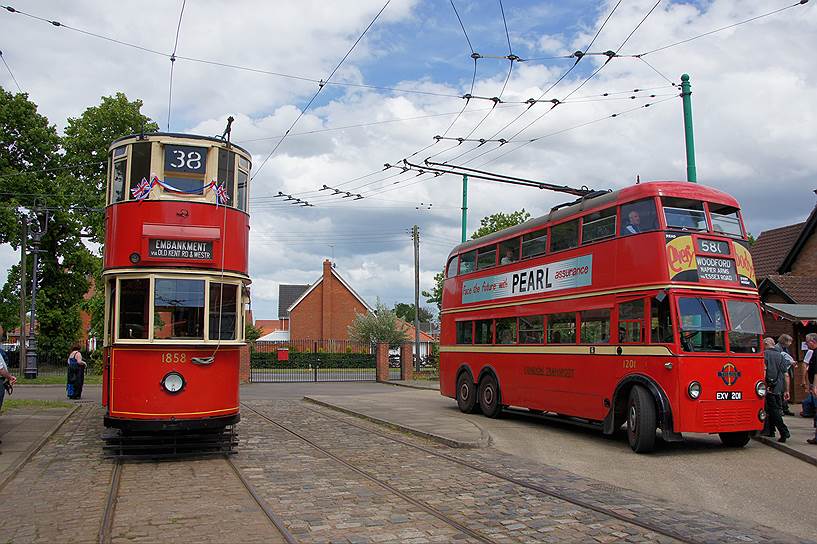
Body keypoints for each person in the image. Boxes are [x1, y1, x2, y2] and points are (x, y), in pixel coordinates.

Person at [763, 337, 790, 442]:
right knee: (775, 409)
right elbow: (786, 375)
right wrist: (787, 390)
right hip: (778, 387)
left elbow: (763, 372)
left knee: (773, 411)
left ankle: (784, 431)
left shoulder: (764, 355)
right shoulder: (781, 356)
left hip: (767, 387)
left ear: (765, 344)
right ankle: (771, 431)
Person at [801, 332, 817, 445]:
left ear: (813, 342)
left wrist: (814, 386)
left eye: (807, 342)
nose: (806, 345)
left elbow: (816, 371)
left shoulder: (815, 353)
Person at [776, 334, 796, 416]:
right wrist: (790, 362)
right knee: (781, 390)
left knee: (785, 390)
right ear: (785, 341)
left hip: (786, 370)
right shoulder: (777, 348)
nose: (790, 343)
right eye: (790, 341)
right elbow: (780, 361)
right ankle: (781, 409)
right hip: (781, 373)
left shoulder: (785, 349)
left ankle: (785, 407)